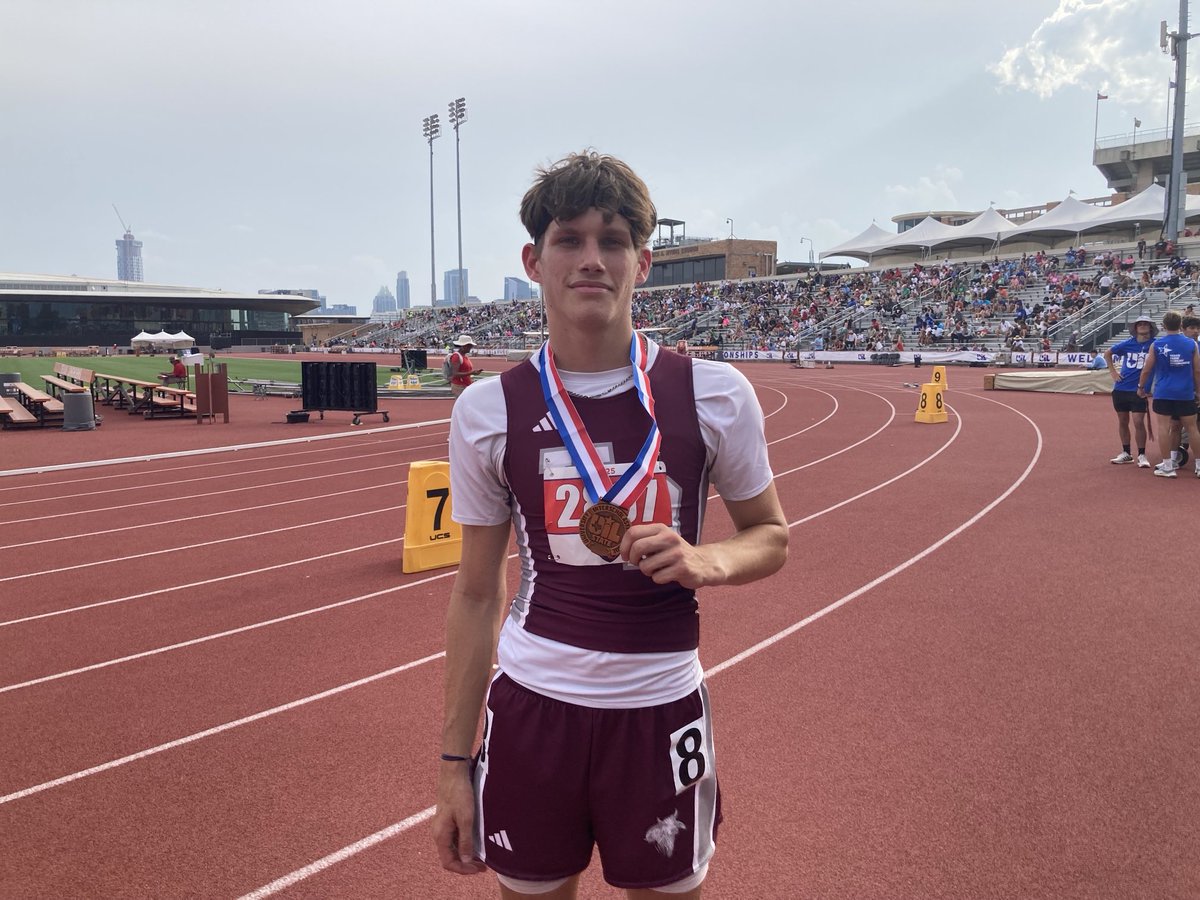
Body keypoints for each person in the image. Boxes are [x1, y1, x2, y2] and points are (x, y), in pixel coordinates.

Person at [433, 151, 788, 898]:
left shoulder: (715, 395)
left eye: (614, 240)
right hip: (535, 710)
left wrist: (708, 561)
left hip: (661, 709)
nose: (591, 259)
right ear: (534, 260)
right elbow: (474, 594)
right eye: (570, 239)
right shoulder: (486, 412)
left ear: (644, 262)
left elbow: (770, 534)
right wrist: (453, 765)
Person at [1136, 310, 1200, 478]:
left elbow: (1147, 369)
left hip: (1164, 392)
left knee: (1165, 428)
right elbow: (1197, 371)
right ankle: (1199, 466)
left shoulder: (1156, 345)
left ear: (1163, 326)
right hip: (1185, 392)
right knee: (1192, 429)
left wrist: (1141, 387)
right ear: (1181, 325)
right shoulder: (1191, 345)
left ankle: (1168, 466)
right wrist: (1198, 391)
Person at [1103, 316, 1156, 467]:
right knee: (1123, 421)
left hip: (1139, 390)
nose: (1143, 326)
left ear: (1151, 328)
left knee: (1139, 421)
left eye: (1146, 324)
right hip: (1121, 388)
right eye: (1140, 324)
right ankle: (1126, 453)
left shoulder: (1155, 345)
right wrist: (1113, 371)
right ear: (1135, 328)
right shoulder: (1127, 344)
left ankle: (1142, 454)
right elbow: (1108, 353)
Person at [445, 334, 481, 399]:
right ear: (464, 346)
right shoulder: (456, 357)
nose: (471, 347)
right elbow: (455, 373)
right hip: (459, 386)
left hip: (465, 385)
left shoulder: (464, 356)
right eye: (469, 346)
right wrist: (471, 373)